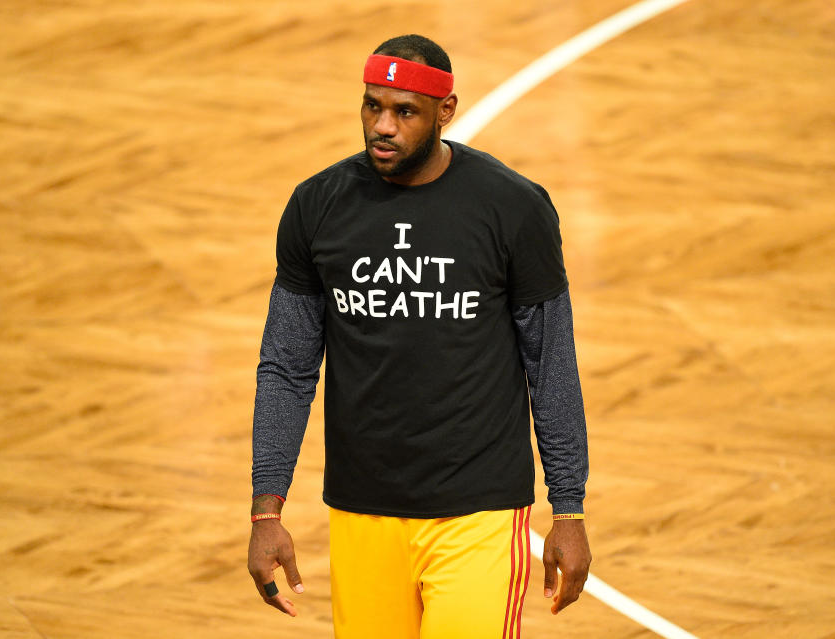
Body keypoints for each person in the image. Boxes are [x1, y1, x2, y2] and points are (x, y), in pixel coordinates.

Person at [247, 34, 592, 639]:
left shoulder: (514, 209)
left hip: (479, 509)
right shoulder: (316, 206)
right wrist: (265, 508)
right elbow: (287, 365)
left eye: (404, 111)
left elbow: (551, 363)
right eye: (371, 106)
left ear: (445, 111)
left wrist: (569, 507)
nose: (383, 126)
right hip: (361, 509)